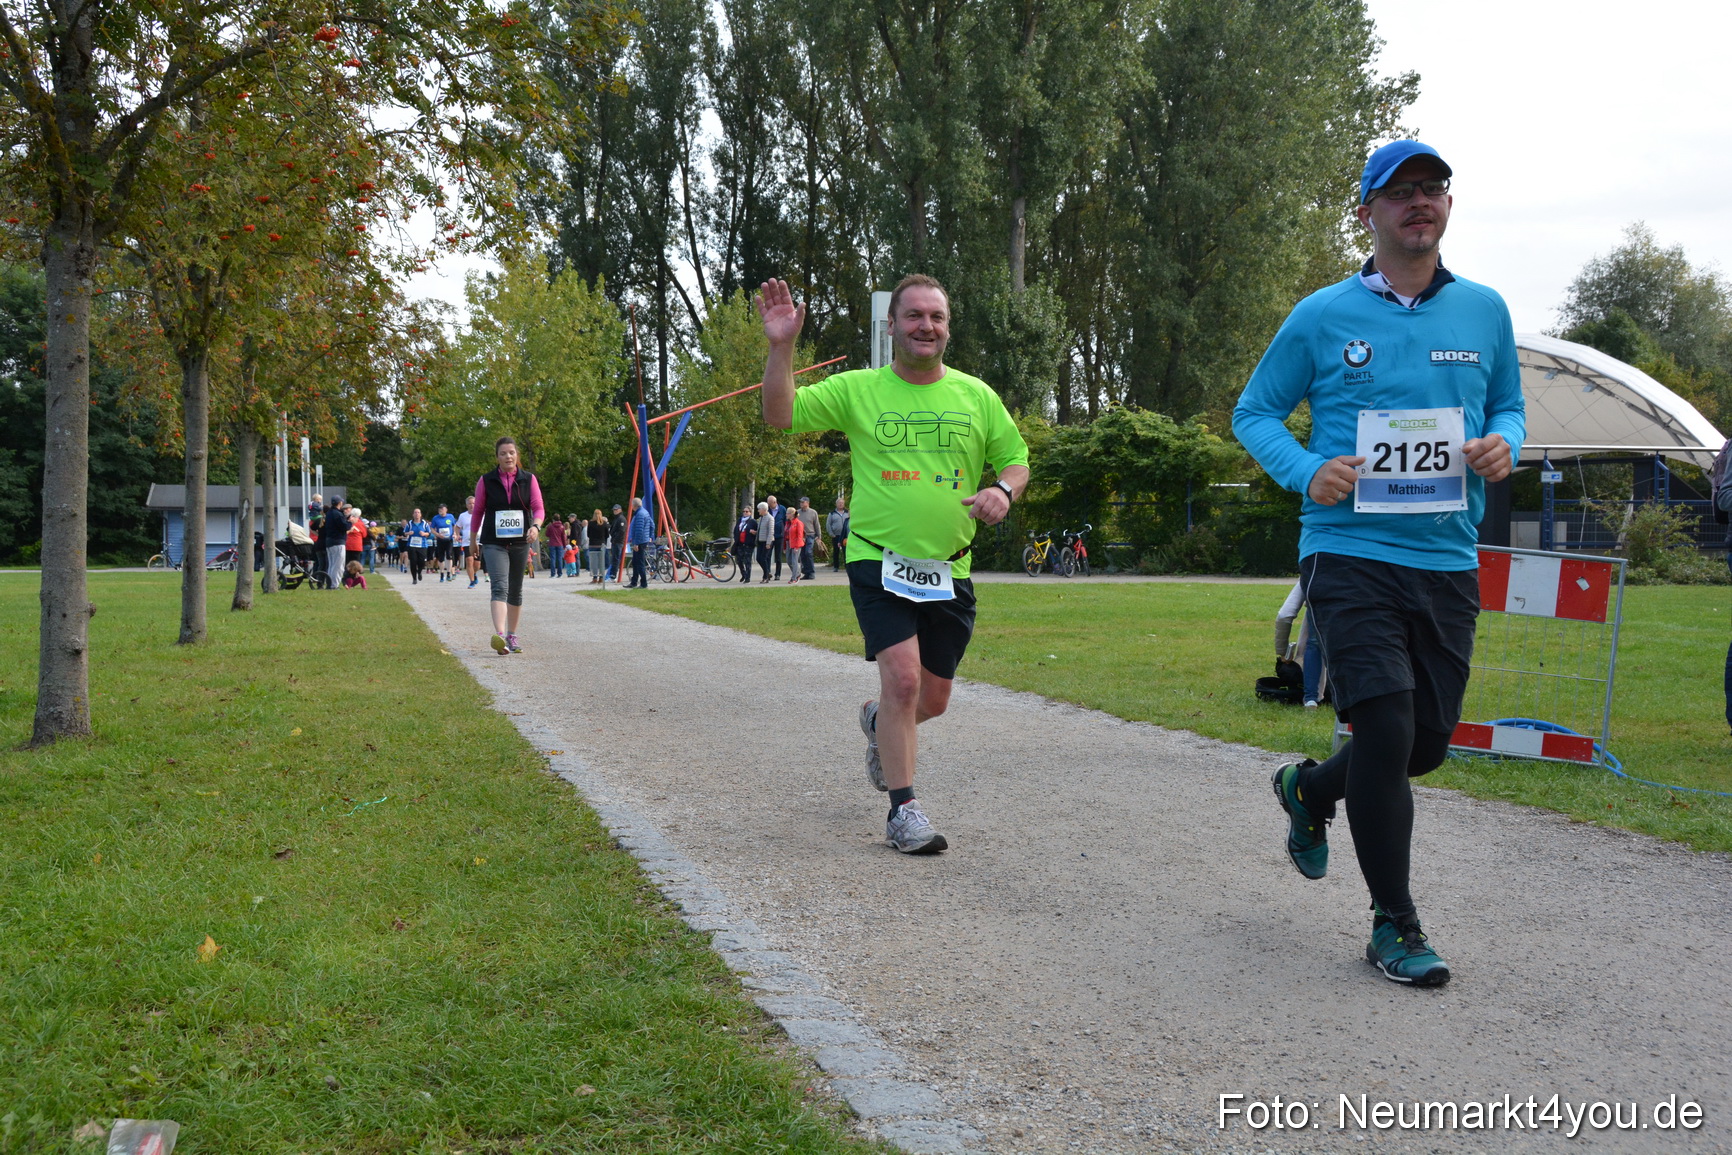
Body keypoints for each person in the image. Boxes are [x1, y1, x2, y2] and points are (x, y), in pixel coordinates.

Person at [1232, 140, 1525, 987]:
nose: (1419, 202)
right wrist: (1305, 471)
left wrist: (1505, 441)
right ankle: (1394, 925)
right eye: (1400, 191)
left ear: (1446, 206)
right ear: (1368, 211)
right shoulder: (1322, 315)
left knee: (1422, 745)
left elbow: (1507, 403)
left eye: (1433, 188)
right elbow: (1256, 411)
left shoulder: (1484, 311)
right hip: (1349, 549)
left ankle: (1312, 792)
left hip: (1446, 556)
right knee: (1385, 726)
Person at [757, 273, 1030, 855]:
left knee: (931, 699)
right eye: (914, 316)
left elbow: (1015, 460)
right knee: (904, 679)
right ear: (892, 325)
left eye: (936, 316)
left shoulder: (976, 397)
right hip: (878, 562)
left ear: (947, 327)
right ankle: (903, 811)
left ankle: (880, 721)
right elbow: (780, 413)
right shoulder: (860, 390)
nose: (925, 326)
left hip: (949, 569)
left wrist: (1002, 492)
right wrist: (782, 347)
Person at [473, 436, 545, 653]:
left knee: (516, 589)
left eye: (511, 452)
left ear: (517, 455)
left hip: (520, 542)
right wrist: (472, 539)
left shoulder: (528, 479)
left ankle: (513, 635)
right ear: (497, 457)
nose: (508, 456)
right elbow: (477, 512)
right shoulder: (486, 481)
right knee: (499, 586)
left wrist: (535, 526)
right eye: (503, 453)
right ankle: (500, 637)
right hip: (494, 542)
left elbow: (538, 507)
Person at [1274, 581, 1325, 707]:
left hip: (1318, 604)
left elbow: (1284, 614)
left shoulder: (1311, 567)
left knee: (1314, 644)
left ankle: (1310, 698)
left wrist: (1283, 652)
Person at [318, 499, 351, 590]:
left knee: (332, 565)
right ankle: (334, 585)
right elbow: (344, 526)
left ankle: (330, 583)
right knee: (338, 565)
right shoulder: (337, 514)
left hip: (329, 542)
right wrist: (350, 522)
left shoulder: (329, 513)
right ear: (340, 503)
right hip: (338, 542)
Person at [625, 496, 654, 589]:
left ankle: (643, 583)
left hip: (640, 541)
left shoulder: (640, 514)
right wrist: (649, 536)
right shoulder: (645, 512)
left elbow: (639, 530)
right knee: (635, 561)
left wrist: (636, 543)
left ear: (634, 506)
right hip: (644, 540)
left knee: (639, 562)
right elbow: (652, 525)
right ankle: (634, 582)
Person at [795, 496, 821, 580]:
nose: (801, 504)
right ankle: (806, 573)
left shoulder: (813, 512)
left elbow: (817, 525)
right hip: (800, 536)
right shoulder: (797, 512)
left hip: (810, 535)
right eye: (800, 502)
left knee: (808, 553)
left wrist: (819, 536)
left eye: (803, 502)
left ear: (807, 503)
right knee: (802, 555)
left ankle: (811, 572)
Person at [404, 509, 432, 585]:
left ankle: (419, 571)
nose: (417, 514)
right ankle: (414, 578)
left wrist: (424, 534)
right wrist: (408, 533)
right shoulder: (409, 523)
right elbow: (405, 533)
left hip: (422, 545)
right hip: (412, 545)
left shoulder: (425, 524)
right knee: (413, 562)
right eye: (415, 512)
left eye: (418, 512)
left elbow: (429, 533)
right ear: (413, 514)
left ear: (420, 514)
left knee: (422, 561)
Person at [733, 504, 758, 583]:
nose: (745, 513)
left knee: (747, 561)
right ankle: (743, 574)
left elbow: (758, 531)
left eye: (747, 511)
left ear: (750, 513)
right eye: (744, 511)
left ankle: (748, 577)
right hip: (740, 544)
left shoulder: (753, 521)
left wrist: (754, 533)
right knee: (739, 560)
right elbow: (736, 530)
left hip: (748, 544)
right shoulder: (740, 520)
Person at [585, 509, 610, 587]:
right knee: (601, 562)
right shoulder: (604, 523)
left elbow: (588, 535)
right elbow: (607, 535)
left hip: (593, 545)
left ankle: (594, 577)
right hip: (601, 545)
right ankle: (601, 577)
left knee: (593, 562)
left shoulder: (591, 523)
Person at [784, 505, 807, 584]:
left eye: (787, 513)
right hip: (788, 543)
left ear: (792, 514)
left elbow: (800, 535)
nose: (786, 515)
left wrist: (797, 546)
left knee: (794, 561)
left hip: (796, 544)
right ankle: (797, 573)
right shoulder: (788, 523)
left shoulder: (798, 523)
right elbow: (785, 535)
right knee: (788, 560)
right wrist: (784, 546)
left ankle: (794, 577)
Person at [765, 494, 786, 580]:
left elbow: (785, 521)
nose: (768, 505)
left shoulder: (782, 509)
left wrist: (783, 532)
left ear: (774, 502)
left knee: (778, 557)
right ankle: (768, 573)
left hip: (779, 536)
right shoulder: (767, 510)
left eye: (769, 503)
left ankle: (778, 574)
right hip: (770, 536)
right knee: (767, 555)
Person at [826, 497, 850, 573]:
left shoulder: (847, 513)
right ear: (836, 504)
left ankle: (847, 566)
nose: (840, 504)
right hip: (836, 535)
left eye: (842, 503)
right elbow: (828, 524)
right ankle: (836, 566)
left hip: (846, 536)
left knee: (846, 551)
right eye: (839, 503)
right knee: (836, 551)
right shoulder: (832, 513)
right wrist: (831, 534)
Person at [345, 507, 367, 573]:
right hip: (357, 546)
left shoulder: (348, 523)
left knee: (348, 562)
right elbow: (364, 535)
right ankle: (356, 574)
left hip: (348, 545)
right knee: (356, 562)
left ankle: (347, 575)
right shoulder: (361, 524)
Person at [608, 504, 627, 581]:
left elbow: (621, 531)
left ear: (620, 510)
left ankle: (613, 575)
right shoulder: (617, 518)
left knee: (616, 558)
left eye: (616, 510)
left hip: (618, 541)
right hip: (615, 541)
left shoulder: (621, 519)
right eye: (614, 510)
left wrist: (615, 539)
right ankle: (613, 574)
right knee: (614, 558)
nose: (615, 511)